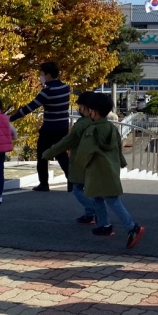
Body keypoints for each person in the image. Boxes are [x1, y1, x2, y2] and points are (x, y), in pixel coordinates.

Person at [72, 93, 145, 248]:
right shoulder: (111, 128)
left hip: (99, 170)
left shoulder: (92, 130)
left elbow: (85, 152)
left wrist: (78, 164)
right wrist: (122, 162)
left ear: (95, 112)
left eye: (90, 110)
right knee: (98, 197)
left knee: (111, 199)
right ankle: (104, 226)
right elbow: (118, 147)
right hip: (110, 168)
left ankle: (132, 227)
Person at [9, 61, 71, 191]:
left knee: (42, 155)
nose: (40, 77)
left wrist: (11, 118)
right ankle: (72, 182)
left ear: (48, 75)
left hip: (49, 128)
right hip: (63, 126)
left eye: (41, 74)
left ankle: (44, 183)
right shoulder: (66, 88)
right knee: (61, 154)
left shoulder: (47, 92)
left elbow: (29, 108)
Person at [42, 91, 98, 224]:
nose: (79, 109)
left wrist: (49, 153)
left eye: (80, 106)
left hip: (81, 161)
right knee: (92, 190)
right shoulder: (99, 122)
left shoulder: (82, 124)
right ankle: (90, 214)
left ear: (86, 107)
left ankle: (94, 210)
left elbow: (68, 141)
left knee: (77, 189)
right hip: (96, 161)